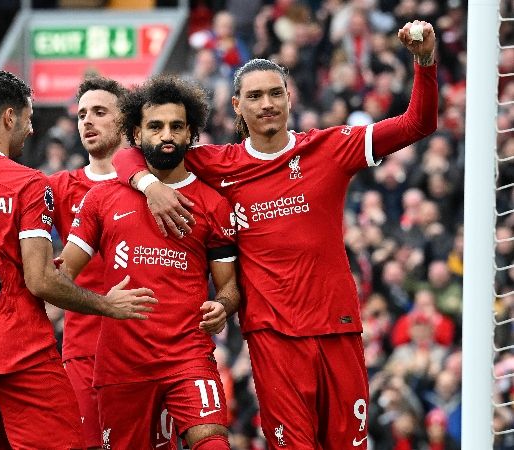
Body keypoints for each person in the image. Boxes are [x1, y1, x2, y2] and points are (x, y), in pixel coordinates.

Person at [113, 21, 438, 449]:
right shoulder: (216, 162)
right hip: (273, 336)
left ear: (289, 97)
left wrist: (425, 61)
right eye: (255, 96)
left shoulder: (330, 148)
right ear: (237, 106)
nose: (267, 104)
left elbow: (419, 123)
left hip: (336, 327)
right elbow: (130, 153)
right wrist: (149, 186)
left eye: (275, 93)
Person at [0, 69, 157, 449]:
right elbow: (41, 281)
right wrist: (106, 304)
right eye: (28, 118)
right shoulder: (28, 182)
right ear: (10, 117)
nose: (31, 129)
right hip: (20, 354)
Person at [61, 75, 240, 450]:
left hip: (188, 355)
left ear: (191, 132)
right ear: (137, 134)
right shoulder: (102, 199)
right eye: (155, 127)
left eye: (176, 126)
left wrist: (222, 307)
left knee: (213, 443)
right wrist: (102, 304)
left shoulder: (213, 204)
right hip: (122, 364)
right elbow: (60, 276)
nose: (166, 135)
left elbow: (229, 287)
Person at [47, 75, 128, 449]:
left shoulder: (153, 183)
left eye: (99, 112)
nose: (87, 122)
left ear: (125, 119)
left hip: (148, 344)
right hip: (84, 349)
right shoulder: (60, 187)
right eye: (82, 115)